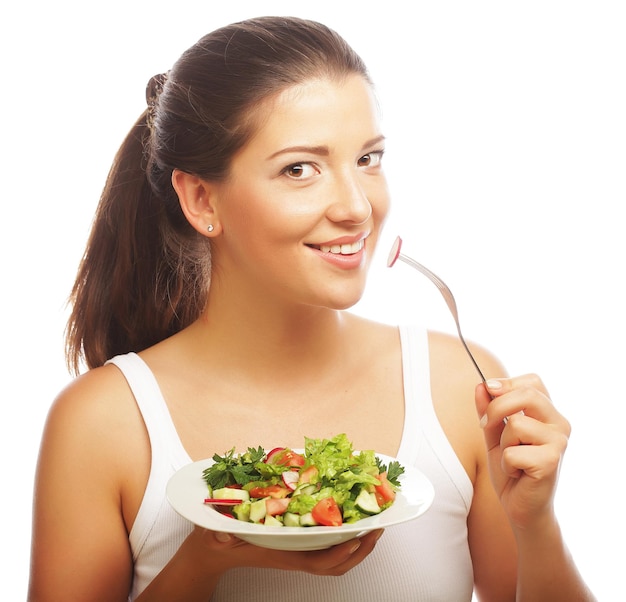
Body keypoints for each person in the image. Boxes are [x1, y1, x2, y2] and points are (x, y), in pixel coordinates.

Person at [28, 16, 595, 602]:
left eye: (369, 159)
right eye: (300, 169)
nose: (356, 207)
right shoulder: (103, 423)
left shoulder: (459, 386)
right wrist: (200, 563)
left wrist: (534, 521)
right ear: (201, 199)